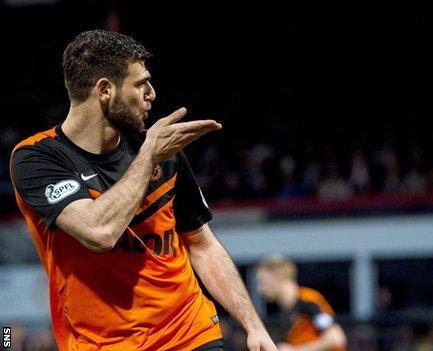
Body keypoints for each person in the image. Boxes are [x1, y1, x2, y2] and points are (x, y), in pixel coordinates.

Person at [9, 29, 276, 351]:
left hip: (189, 333)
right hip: (101, 343)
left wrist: (254, 326)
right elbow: (99, 232)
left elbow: (202, 245)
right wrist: (149, 155)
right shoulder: (37, 158)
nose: (152, 94)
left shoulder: (162, 150)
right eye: (141, 84)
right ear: (105, 90)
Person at [255, 255, 347, 351]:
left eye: (263, 282)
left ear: (280, 276)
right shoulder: (286, 311)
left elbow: (336, 338)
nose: (260, 289)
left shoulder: (308, 300)